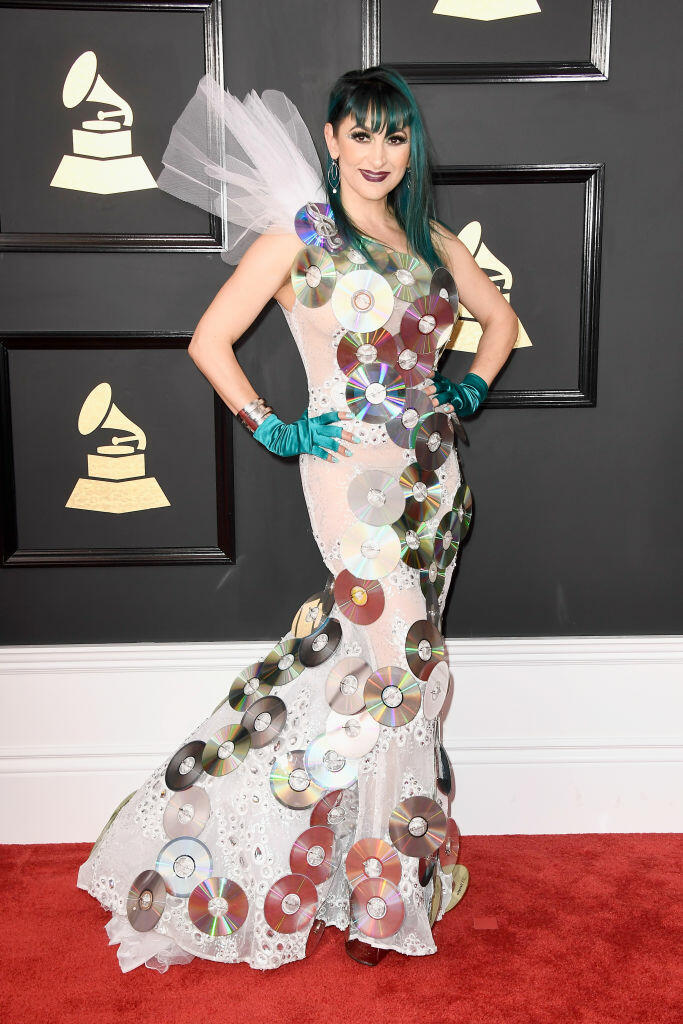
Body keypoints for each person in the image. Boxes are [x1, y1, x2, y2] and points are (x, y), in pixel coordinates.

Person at [76, 65, 519, 973]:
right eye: (361, 134)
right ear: (330, 140)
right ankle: (378, 900)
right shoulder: (298, 236)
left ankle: (365, 868)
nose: (378, 154)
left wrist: (469, 382)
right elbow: (209, 340)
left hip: (433, 486)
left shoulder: (429, 238)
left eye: (394, 137)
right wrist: (273, 426)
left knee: (387, 676)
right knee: (405, 675)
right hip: (346, 479)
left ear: (410, 148)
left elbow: (498, 321)